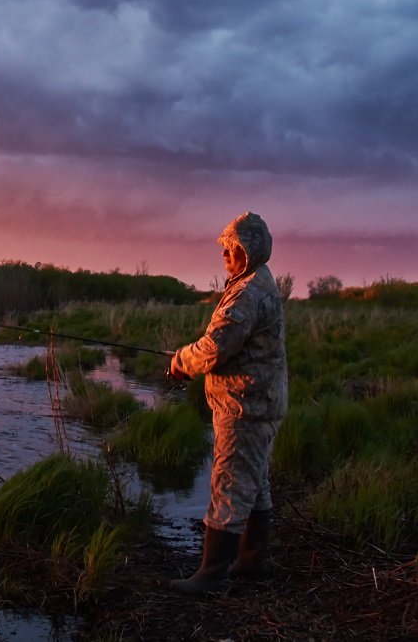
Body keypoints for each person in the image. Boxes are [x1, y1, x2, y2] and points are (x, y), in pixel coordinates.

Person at [168, 211, 288, 596]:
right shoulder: (259, 282)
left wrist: (181, 361)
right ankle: (251, 564)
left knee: (231, 483)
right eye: (224, 249)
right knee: (255, 483)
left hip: (245, 407)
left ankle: (212, 576)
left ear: (246, 251)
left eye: (230, 249)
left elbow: (215, 347)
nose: (224, 255)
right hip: (259, 402)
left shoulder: (248, 291)